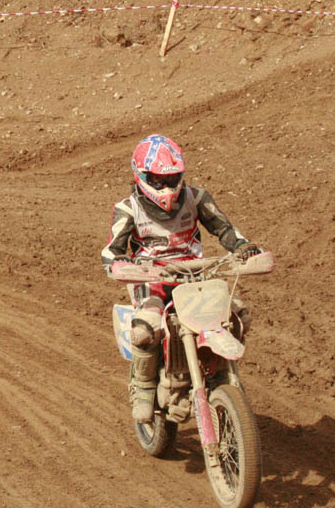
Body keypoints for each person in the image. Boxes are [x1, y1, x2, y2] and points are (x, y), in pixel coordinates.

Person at [101, 134, 262, 423]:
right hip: (152, 280)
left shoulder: (196, 198)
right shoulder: (128, 209)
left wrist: (243, 247)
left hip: (196, 275)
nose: (166, 186)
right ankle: (143, 388)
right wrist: (120, 264)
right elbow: (112, 250)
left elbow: (225, 230)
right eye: (158, 180)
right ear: (141, 175)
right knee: (145, 330)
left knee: (238, 315)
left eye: (172, 179)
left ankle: (222, 377)